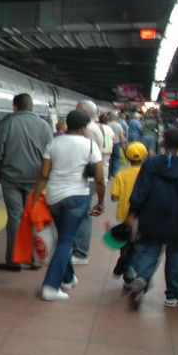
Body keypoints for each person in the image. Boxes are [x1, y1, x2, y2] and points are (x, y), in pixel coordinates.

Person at [122, 128, 178, 310]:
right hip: (176, 216)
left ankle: (142, 278)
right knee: (174, 253)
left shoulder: (150, 163)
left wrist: (132, 212)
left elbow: (140, 192)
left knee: (150, 249)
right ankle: (173, 295)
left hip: (151, 215)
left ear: (163, 141)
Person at [29, 110, 105, 301]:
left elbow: (44, 174)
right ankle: (50, 287)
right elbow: (99, 178)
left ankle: (68, 278)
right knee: (65, 242)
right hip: (78, 197)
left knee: (63, 238)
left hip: (54, 197)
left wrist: (35, 198)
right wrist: (101, 201)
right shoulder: (90, 145)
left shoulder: (53, 143)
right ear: (82, 128)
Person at [0, 93, 53, 271]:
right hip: (36, 180)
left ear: (15, 106)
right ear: (31, 106)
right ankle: (32, 260)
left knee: (15, 216)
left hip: (11, 178)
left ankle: (15, 260)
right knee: (32, 217)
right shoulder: (45, 126)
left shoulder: (8, 123)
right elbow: (50, 153)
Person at [71, 100, 105, 265]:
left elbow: (87, 156)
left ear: (85, 112)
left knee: (83, 216)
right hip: (89, 178)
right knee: (82, 214)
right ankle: (79, 250)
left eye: (77, 110)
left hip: (87, 178)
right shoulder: (93, 127)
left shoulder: (88, 130)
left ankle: (81, 253)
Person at [109, 141, 147, 278]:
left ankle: (126, 267)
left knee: (126, 245)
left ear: (127, 157)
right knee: (141, 245)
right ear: (145, 156)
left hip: (124, 215)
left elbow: (114, 197)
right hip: (142, 216)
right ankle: (135, 271)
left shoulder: (121, 174)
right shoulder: (148, 174)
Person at [106, 112, 126, 178]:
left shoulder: (107, 125)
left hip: (108, 143)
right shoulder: (118, 125)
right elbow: (121, 136)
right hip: (117, 143)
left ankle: (108, 173)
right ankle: (114, 172)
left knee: (109, 158)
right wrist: (123, 144)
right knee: (117, 157)